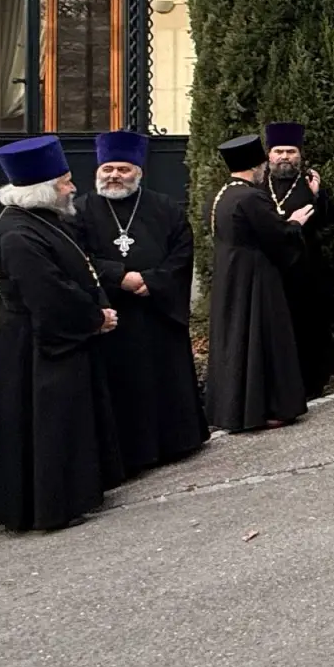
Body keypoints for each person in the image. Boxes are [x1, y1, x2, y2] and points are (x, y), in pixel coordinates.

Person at [0, 136, 122, 531]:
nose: (72, 188)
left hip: (53, 335)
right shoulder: (18, 235)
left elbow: (76, 271)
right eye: (65, 182)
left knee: (66, 419)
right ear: (43, 190)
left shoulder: (43, 220)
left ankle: (74, 494)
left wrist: (96, 307)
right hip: (36, 344)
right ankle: (49, 506)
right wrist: (94, 318)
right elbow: (49, 293)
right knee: (47, 424)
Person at [77, 130, 205, 472]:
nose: (114, 175)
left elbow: (182, 251)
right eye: (108, 169)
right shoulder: (80, 211)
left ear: (138, 172)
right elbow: (76, 256)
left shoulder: (165, 207)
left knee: (162, 380)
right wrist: (119, 276)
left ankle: (175, 444)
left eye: (123, 169)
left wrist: (154, 281)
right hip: (113, 316)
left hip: (157, 313)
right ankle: (129, 455)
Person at [206, 132, 313, 431]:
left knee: (236, 339)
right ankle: (265, 408)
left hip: (230, 274)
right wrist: (295, 223)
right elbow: (276, 235)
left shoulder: (221, 195)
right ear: (256, 166)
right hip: (255, 278)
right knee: (260, 339)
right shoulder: (251, 197)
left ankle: (234, 411)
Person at [262, 121, 334, 398]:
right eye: (279, 151)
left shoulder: (309, 183)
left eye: (291, 151)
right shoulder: (258, 184)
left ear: (300, 155)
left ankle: (309, 385)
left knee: (306, 330)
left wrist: (318, 197)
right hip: (270, 270)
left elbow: (331, 220)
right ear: (269, 155)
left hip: (306, 271)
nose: (284, 157)